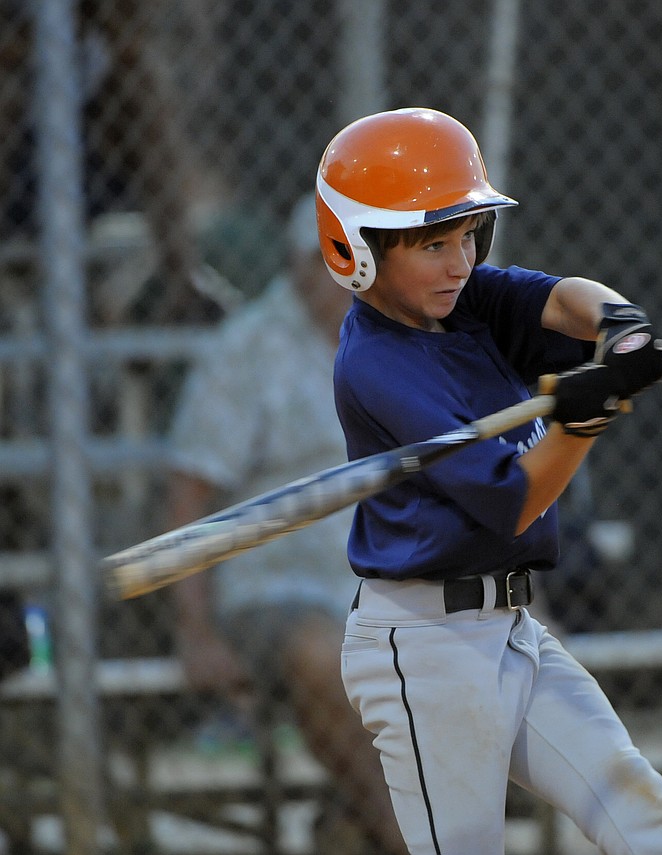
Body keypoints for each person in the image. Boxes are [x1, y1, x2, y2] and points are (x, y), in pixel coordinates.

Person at [315, 107, 662, 855]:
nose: (459, 261)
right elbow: (513, 498)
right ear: (358, 250)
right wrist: (579, 424)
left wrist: (619, 327)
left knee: (644, 816)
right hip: (424, 649)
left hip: (511, 631)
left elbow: (558, 298)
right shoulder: (377, 362)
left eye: (467, 236)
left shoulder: (464, 303)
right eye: (434, 244)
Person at [167, 195, 407, 854]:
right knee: (325, 656)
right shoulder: (244, 349)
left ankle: (355, 822)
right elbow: (190, 494)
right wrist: (195, 628)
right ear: (301, 266)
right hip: (278, 586)